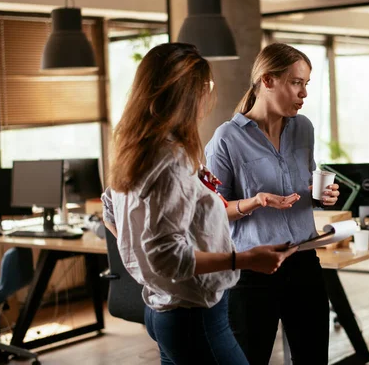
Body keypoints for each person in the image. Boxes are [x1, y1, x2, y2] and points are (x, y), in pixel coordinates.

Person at [100, 42, 297, 365]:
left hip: (163, 307)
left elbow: (112, 211)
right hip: (195, 316)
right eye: (206, 87)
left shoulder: (138, 149)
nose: (209, 95)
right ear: (187, 94)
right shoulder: (169, 160)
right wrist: (244, 259)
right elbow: (167, 256)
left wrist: (142, 256)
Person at [205, 42, 340, 365]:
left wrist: (321, 197)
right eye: (296, 83)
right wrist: (254, 202)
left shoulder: (303, 129)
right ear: (267, 80)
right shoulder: (226, 139)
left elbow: (302, 189)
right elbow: (211, 215)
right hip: (253, 272)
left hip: (304, 263)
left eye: (306, 84)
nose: (303, 93)